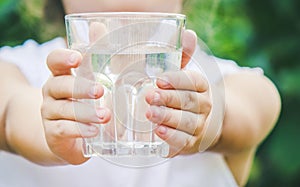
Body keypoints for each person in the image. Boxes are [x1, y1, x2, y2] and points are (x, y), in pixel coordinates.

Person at [0, 0, 281, 186]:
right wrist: (51, 126)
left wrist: (201, 118)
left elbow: (250, 108)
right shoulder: (13, 70)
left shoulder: (224, 83)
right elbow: (11, 113)